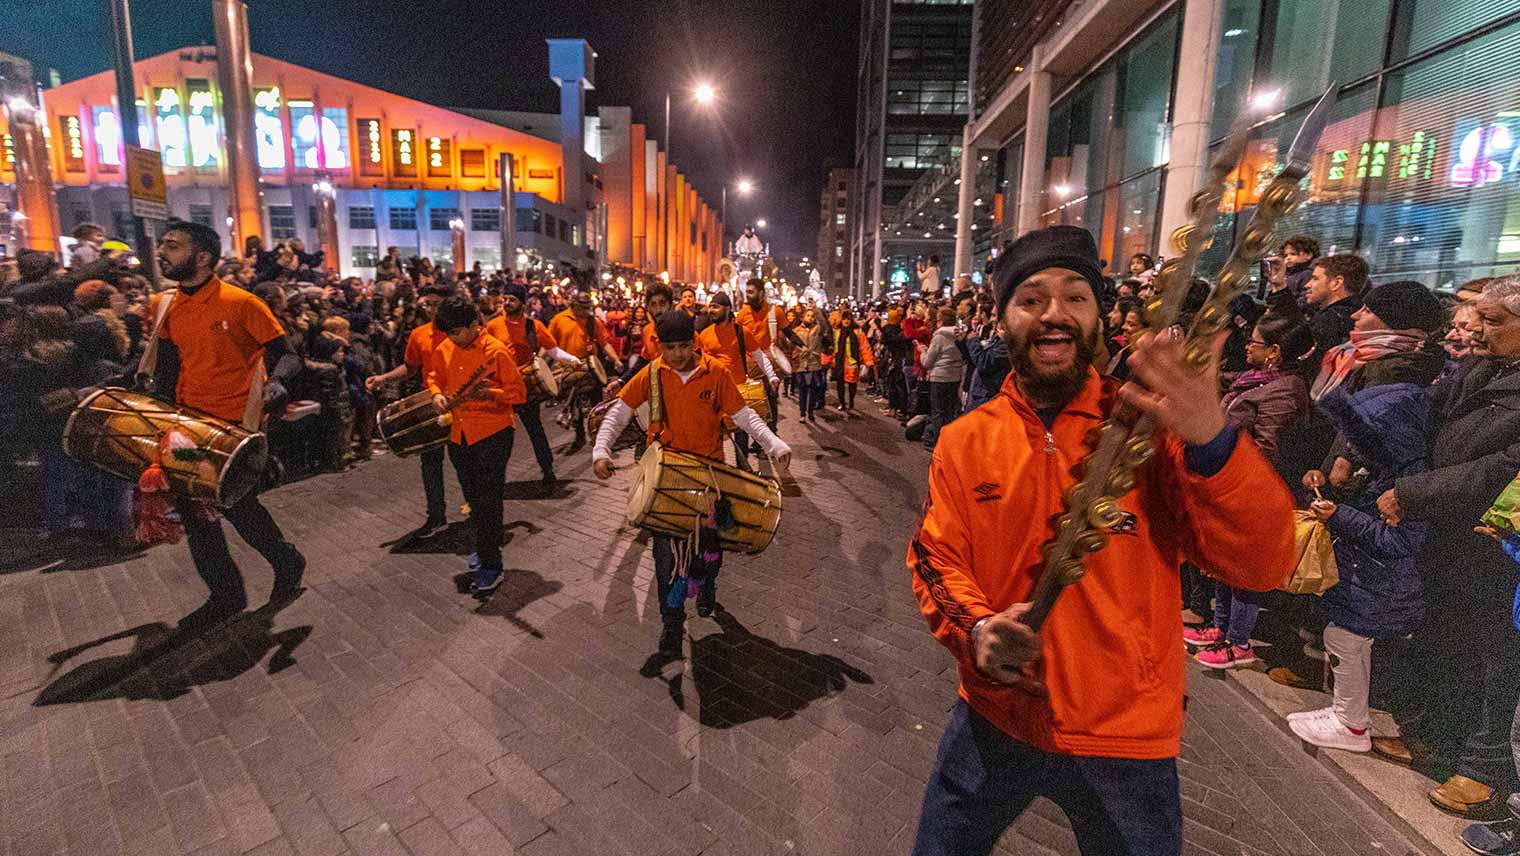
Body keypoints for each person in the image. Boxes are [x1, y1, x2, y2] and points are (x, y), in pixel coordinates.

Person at [908, 225, 1297, 856]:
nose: (1054, 313)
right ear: (1003, 319)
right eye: (1031, 298)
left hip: (1125, 735)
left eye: (1075, 296)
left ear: (1098, 317)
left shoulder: (1155, 428)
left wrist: (1211, 438)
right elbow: (935, 559)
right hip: (996, 715)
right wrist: (977, 629)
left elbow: (1264, 562)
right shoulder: (965, 440)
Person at [1375, 276, 1520, 818]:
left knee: (1494, 659)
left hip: (1497, 544)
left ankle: (1484, 770)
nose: (1475, 331)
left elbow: (1500, 469)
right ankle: (1432, 740)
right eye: (1478, 318)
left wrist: (1411, 492)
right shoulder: (1480, 367)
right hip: (1451, 533)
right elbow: (1424, 416)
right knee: (1443, 639)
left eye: (1493, 321)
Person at [591, 310, 791, 655]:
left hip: (710, 477)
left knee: (709, 552)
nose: (678, 355)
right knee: (665, 559)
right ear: (660, 348)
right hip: (666, 477)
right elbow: (620, 410)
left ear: (694, 343)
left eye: (684, 346)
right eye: (670, 348)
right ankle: (671, 624)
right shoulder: (652, 374)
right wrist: (600, 449)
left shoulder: (716, 373)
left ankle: (707, 585)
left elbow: (743, 415)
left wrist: (773, 443)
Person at [146, 221, 306, 628]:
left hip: (236, 424)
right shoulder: (165, 304)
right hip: (187, 424)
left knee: (238, 505)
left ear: (201, 257)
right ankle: (226, 595)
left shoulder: (242, 303)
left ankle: (286, 560)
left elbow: (287, 355)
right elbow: (166, 365)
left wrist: (279, 384)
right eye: (163, 244)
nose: (162, 252)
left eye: (173, 246)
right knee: (196, 512)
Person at [1183, 313, 1314, 668]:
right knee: (1226, 565)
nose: (1247, 346)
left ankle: (1237, 642)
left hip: (1254, 491)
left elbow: (1269, 447)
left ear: (1273, 351)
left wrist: (1235, 470)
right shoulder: (1256, 380)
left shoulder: (1285, 390)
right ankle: (1220, 628)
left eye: (1254, 342)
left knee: (1244, 572)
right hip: (1232, 485)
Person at [426, 295, 527, 595]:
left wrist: (492, 394)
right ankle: (486, 547)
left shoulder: (495, 351)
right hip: (459, 435)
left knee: (488, 500)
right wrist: (436, 395)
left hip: (492, 434)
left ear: (474, 325)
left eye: (457, 332)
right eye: (449, 334)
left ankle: (491, 565)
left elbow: (518, 393)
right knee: (473, 499)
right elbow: (435, 377)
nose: (453, 339)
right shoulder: (446, 347)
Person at [486, 282, 582, 482]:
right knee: (501, 438)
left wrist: (572, 360)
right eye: (505, 299)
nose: (507, 303)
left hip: (525, 389)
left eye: (512, 300)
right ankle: (496, 478)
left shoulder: (533, 326)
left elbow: (553, 350)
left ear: (522, 303)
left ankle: (547, 470)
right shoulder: (493, 326)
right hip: (501, 389)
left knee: (535, 431)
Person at [697, 292, 778, 469]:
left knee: (741, 435)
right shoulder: (704, 335)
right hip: (714, 395)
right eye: (710, 306)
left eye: (715, 306)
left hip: (739, 392)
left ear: (727, 309)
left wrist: (771, 376)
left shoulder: (741, 331)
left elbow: (759, 356)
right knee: (713, 436)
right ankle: (715, 471)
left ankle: (743, 470)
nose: (711, 310)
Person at [547, 292, 620, 452]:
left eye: (589, 307)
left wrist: (616, 359)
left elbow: (604, 343)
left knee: (597, 404)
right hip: (568, 367)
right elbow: (549, 344)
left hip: (590, 366)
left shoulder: (593, 322)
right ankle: (579, 435)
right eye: (584, 308)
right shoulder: (559, 320)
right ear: (575, 305)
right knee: (575, 405)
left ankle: (599, 437)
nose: (587, 311)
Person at [919, 306, 965, 450]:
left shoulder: (939, 337)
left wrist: (922, 351)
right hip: (955, 376)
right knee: (950, 412)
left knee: (938, 412)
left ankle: (939, 444)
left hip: (940, 377)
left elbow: (927, 362)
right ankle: (949, 443)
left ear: (940, 321)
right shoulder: (960, 335)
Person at [791, 306, 830, 423]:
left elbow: (823, 323)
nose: (810, 318)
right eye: (808, 315)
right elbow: (791, 345)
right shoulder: (796, 330)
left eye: (812, 316)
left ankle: (810, 411)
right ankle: (802, 413)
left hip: (814, 363)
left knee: (814, 388)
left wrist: (815, 310)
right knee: (802, 389)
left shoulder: (818, 329)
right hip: (801, 364)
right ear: (802, 317)